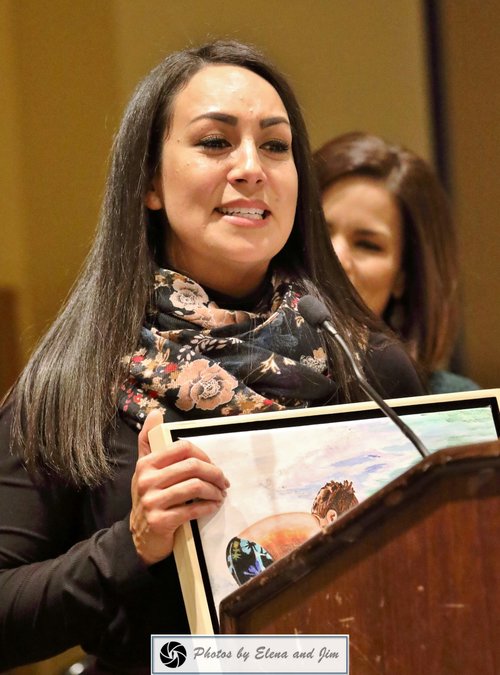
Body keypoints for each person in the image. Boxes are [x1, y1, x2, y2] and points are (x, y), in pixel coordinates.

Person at [0, 41, 424, 673]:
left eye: (275, 145)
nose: (251, 167)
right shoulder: (74, 382)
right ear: (148, 182)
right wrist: (132, 543)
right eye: (215, 142)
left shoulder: (365, 367)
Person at [313, 131, 480, 394]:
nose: (335, 257)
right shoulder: (231, 380)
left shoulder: (451, 402)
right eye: (320, 233)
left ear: (403, 277)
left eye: (367, 244)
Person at [226, 480, 358, 585]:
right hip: (250, 550)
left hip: (240, 547)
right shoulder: (315, 531)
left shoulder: (305, 521)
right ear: (332, 517)